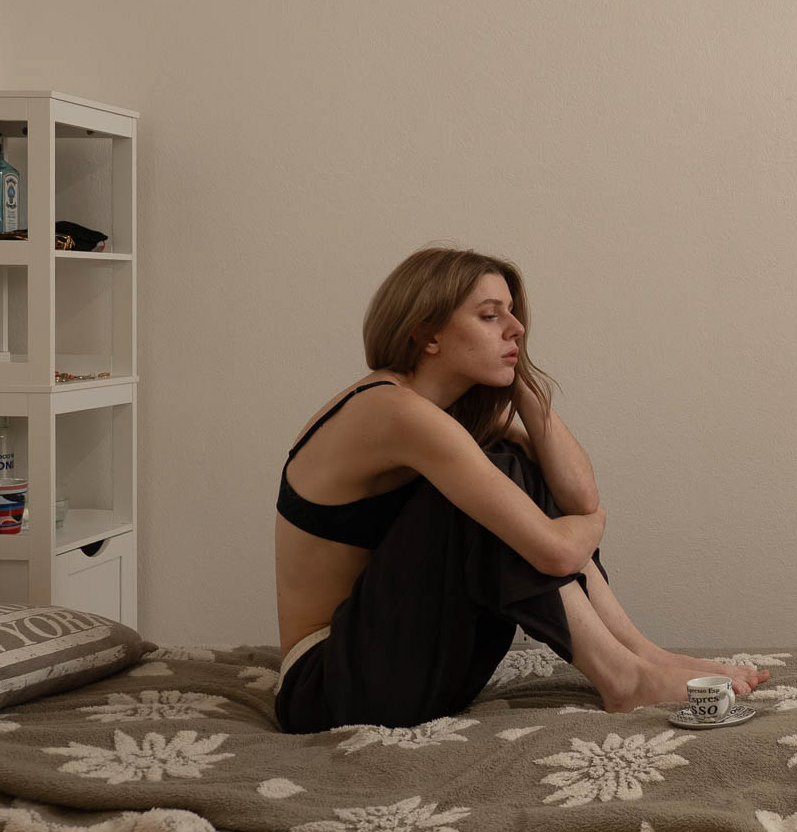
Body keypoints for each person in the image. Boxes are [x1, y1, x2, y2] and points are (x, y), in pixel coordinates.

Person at [274, 245, 767, 734]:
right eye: (490, 316)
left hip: (406, 664)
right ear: (427, 335)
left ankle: (640, 654)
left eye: (512, 313)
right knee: (486, 496)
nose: (517, 328)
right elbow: (561, 546)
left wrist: (522, 384)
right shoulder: (393, 411)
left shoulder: (441, 417)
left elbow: (579, 495)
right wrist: (594, 524)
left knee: (508, 464)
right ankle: (623, 677)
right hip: (328, 686)